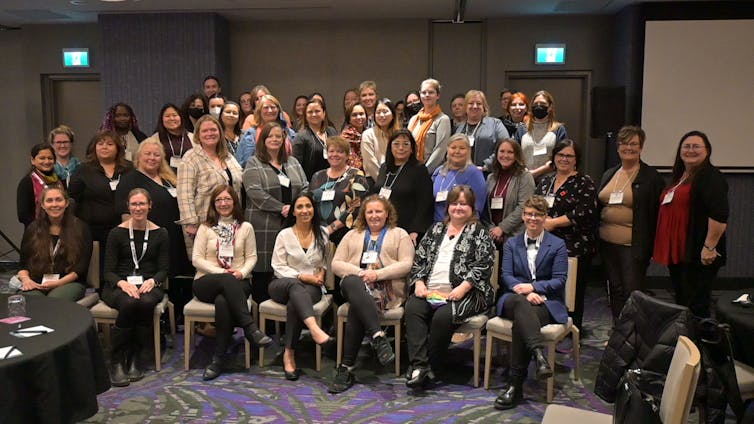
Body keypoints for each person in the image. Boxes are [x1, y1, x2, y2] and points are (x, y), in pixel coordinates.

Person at [404, 186, 495, 390]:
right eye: (454, 203)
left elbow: (484, 264)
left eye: (463, 204)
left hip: (468, 293)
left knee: (442, 317)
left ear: (472, 207)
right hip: (431, 291)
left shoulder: (479, 232)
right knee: (412, 308)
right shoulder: (436, 229)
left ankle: (429, 366)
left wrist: (462, 288)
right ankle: (420, 366)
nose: (458, 208)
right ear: (448, 207)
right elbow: (419, 258)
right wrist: (419, 282)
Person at [329, 195, 415, 393]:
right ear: (364, 215)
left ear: (387, 213)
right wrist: (361, 273)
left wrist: (377, 274)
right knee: (352, 282)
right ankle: (378, 336)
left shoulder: (399, 234)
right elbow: (336, 263)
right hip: (356, 285)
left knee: (357, 308)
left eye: (379, 211)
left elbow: (407, 264)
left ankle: (346, 367)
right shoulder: (352, 235)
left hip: (387, 289)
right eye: (370, 211)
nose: (374, 215)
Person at [492, 195, 568, 410]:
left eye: (538, 214)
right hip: (513, 298)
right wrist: (523, 291)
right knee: (520, 305)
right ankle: (538, 354)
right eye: (528, 214)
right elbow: (506, 275)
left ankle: (515, 385)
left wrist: (534, 288)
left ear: (545, 217)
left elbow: (560, 280)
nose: (532, 218)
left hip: (544, 303)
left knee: (522, 322)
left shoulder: (558, 245)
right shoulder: (512, 243)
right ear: (523, 216)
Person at [192, 185, 272, 380]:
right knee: (225, 284)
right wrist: (222, 272)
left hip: (239, 280)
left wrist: (241, 272)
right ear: (213, 204)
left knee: (223, 302)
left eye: (227, 199)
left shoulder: (246, 227)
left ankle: (217, 359)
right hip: (206, 280)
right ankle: (250, 328)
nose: (223, 203)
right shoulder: (205, 228)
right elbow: (196, 259)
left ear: (235, 202)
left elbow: (252, 257)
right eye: (218, 200)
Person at [653, 130, 728, 318]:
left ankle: (698, 344)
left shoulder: (711, 177)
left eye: (696, 146)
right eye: (686, 146)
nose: (690, 150)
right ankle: (686, 340)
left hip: (699, 252)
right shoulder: (681, 176)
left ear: (707, 151)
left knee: (696, 304)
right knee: (683, 300)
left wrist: (709, 247)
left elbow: (719, 215)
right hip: (679, 251)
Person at [116, 138, 193, 317]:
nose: (152, 158)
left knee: (178, 276)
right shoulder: (130, 180)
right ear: (138, 157)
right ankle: (163, 319)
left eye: (156, 154)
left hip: (175, 236)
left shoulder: (170, 177)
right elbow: (126, 216)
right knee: (158, 277)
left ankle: (179, 317)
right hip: (149, 241)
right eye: (148, 154)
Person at [102, 188, 169, 387]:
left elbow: (164, 269)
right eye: (134, 204)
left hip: (149, 283)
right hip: (119, 284)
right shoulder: (116, 233)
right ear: (128, 207)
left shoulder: (161, 233)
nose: (138, 208)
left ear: (150, 206)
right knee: (130, 303)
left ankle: (135, 357)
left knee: (146, 301)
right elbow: (108, 271)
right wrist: (122, 284)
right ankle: (117, 360)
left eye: (142, 204)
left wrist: (154, 281)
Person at [598, 126, 664, 320]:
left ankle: (634, 333)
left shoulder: (651, 177)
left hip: (632, 247)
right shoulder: (610, 173)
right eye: (624, 143)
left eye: (633, 143)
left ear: (641, 147)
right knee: (615, 290)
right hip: (607, 244)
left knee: (632, 292)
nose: (628, 147)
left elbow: (656, 214)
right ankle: (619, 329)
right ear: (618, 148)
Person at [269, 192, 334, 381]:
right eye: (300, 207)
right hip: (281, 283)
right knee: (294, 287)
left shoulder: (322, 233)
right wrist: (302, 276)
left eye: (308, 206)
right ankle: (315, 330)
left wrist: (321, 272)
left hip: (311, 288)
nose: (305, 210)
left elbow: (321, 263)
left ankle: (288, 353)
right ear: (293, 212)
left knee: (294, 303)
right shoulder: (284, 234)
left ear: (314, 209)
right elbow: (278, 266)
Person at [535, 139, 597, 331]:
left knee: (572, 293)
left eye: (569, 156)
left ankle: (571, 330)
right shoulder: (546, 181)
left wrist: (553, 223)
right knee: (549, 288)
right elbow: (535, 205)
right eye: (560, 155)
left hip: (574, 247)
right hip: (545, 245)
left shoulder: (584, 182)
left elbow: (583, 212)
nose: (564, 159)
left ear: (576, 159)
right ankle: (551, 324)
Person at [243, 121, 308, 304]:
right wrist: (282, 208)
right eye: (270, 136)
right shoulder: (253, 163)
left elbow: (305, 186)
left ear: (284, 139)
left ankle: (288, 312)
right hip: (264, 225)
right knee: (264, 271)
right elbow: (254, 192)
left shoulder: (292, 162)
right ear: (263, 140)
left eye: (278, 136)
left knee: (288, 268)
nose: (274, 139)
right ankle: (264, 320)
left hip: (291, 224)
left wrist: (296, 206)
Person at [177, 114, 243, 257]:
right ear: (197, 135)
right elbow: (184, 194)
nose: (210, 134)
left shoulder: (228, 157)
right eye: (205, 131)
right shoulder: (191, 158)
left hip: (230, 221)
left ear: (219, 132)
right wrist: (190, 223)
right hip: (204, 223)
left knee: (230, 263)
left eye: (213, 130)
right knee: (208, 265)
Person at [69, 131, 133, 265]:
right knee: (98, 269)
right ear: (94, 147)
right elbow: (72, 198)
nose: (105, 147)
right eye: (100, 143)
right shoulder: (83, 170)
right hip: (94, 231)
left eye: (110, 144)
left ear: (118, 148)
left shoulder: (129, 168)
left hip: (124, 228)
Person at [17, 186, 92, 301]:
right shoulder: (33, 228)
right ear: (42, 205)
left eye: (59, 199)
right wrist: (26, 280)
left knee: (54, 302)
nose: (54, 204)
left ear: (66, 203)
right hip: (37, 282)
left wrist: (57, 283)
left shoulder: (81, 228)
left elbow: (80, 268)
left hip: (68, 283)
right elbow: (23, 264)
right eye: (49, 200)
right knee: (31, 301)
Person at [372, 130, 433, 246]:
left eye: (406, 144)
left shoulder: (419, 169)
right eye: (396, 144)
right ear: (390, 147)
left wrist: (416, 230)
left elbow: (425, 202)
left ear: (411, 149)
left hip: (406, 229)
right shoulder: (384, 167)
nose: (401, 148)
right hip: (382, 226)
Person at [309, 136, 369, 245]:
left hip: (346, 234)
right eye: (331, 151)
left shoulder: (356, 175)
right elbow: (310, 202)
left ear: (347, 155)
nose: (335, 154)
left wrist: (331, 228)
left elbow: (357, 207)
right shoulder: (317, 176)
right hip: (318, 233)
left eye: (340, 152)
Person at [485, 139, 536, 248]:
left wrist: (502, 228)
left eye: (510, 152)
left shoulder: (525, 176)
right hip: (492, 236)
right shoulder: (491, 177)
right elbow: (486, 208)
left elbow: (524, 206)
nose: (505, 155)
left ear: (517, 155)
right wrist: (493, 230)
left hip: (516, 236)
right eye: (502, 151)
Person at [431, 134, 486, 222]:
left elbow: (477, 209)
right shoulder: (439, 171)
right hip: (435, 226)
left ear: (468, 151)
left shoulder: (474, 173)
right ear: (447, 149)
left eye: (462, 148)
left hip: (460, 226)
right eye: (453, 147)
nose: (457, 151)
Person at [515, 90, 568, 182]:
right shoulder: (522, 129)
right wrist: (526, 172)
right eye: (536, 104)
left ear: (550, 107)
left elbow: (561, 157)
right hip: (524, 180)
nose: (539, 106)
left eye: (542, 103)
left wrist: (535, 173)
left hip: (550, 181)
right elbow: (515, 154)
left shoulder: (559, 129)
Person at [454, 90, 510, 171]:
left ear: (484, 107)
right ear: (465, 107)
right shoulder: (459, 128)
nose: (475, 106)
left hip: (488, 174)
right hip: (463, 173)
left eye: (479, 103)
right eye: (471, 103)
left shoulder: (495, 124)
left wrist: (486, 166)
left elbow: (506, 148)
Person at [236, 94, 295, 168]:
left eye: (273, 107)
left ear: (278, 110)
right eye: (266, 108)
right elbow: (244, 163)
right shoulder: (251, 134)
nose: (270, 110)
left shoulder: (289, 133)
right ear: (259, 111)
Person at [408, 78, 452, 174]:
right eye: (424, 92)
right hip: (411, 170)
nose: (427, 95)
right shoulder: (414, 119)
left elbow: (440, 151)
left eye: (431, 92)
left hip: (430, 173)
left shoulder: (443, 119)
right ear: (420, 95)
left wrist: (424, 172)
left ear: (438, 95)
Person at [17, 143, 65, 227]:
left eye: (50, 158)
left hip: (61, 231)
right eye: (42, 158)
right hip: (37, 233)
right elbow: (23, 215)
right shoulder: (27, 182)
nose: (46, 161)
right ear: (33, 160)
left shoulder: (60, 180)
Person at [292, 98, 339, 181]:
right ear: (305, 116)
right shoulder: (301, 137)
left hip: (335, 181)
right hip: (311, 184)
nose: (314, 114)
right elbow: (296, 166)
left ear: (324, 113)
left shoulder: (332, 131)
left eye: (317, 111)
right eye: (310, 112)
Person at [146, 103, 194, 172]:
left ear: (180, 117)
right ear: (162, 119)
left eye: (174, 115)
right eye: (167, 116)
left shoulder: (193, 138)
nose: (171, 118)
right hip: (163, 178)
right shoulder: (154, 139)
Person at [361, 98, 399, 183]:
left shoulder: (399, 135)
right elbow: (370, 164)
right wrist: (384, 183)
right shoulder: (368, 134)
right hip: (375, 181)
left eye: (385, 111)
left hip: (396, 180)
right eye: (378, 112)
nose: (381, 115)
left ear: (393, 115)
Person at [340, 103, 367, 170]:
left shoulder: (368, 134)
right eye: (354, 115)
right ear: (349, 119)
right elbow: (350, 160)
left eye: (361, 114)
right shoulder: (345, 137)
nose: (359, 117)